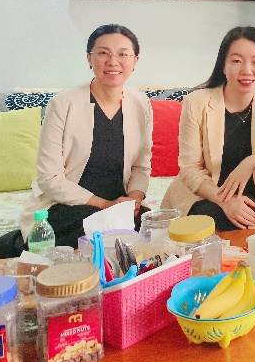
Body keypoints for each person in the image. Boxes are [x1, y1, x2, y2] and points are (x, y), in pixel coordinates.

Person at [14, 24, 153, 250]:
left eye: (123, 54)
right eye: (103, 53)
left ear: (135, 61)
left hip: (119, 203)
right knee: (94, 232)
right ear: (89, 58)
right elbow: (49, 178)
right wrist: (105, 205)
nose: (113, 61)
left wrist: (134, 199)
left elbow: (141, 166)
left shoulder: (141, 104)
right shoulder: (62, 104)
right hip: (68, 204)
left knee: (152, 231)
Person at [161, 26, 255, 242]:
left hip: (251, 195)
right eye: (236, 61)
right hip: (203, 193)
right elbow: (190, 168)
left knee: (251, 223)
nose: (246, 70)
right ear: (223, 66)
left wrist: (251, 162)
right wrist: (226, 201)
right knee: (214, 221)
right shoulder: (197, 102)